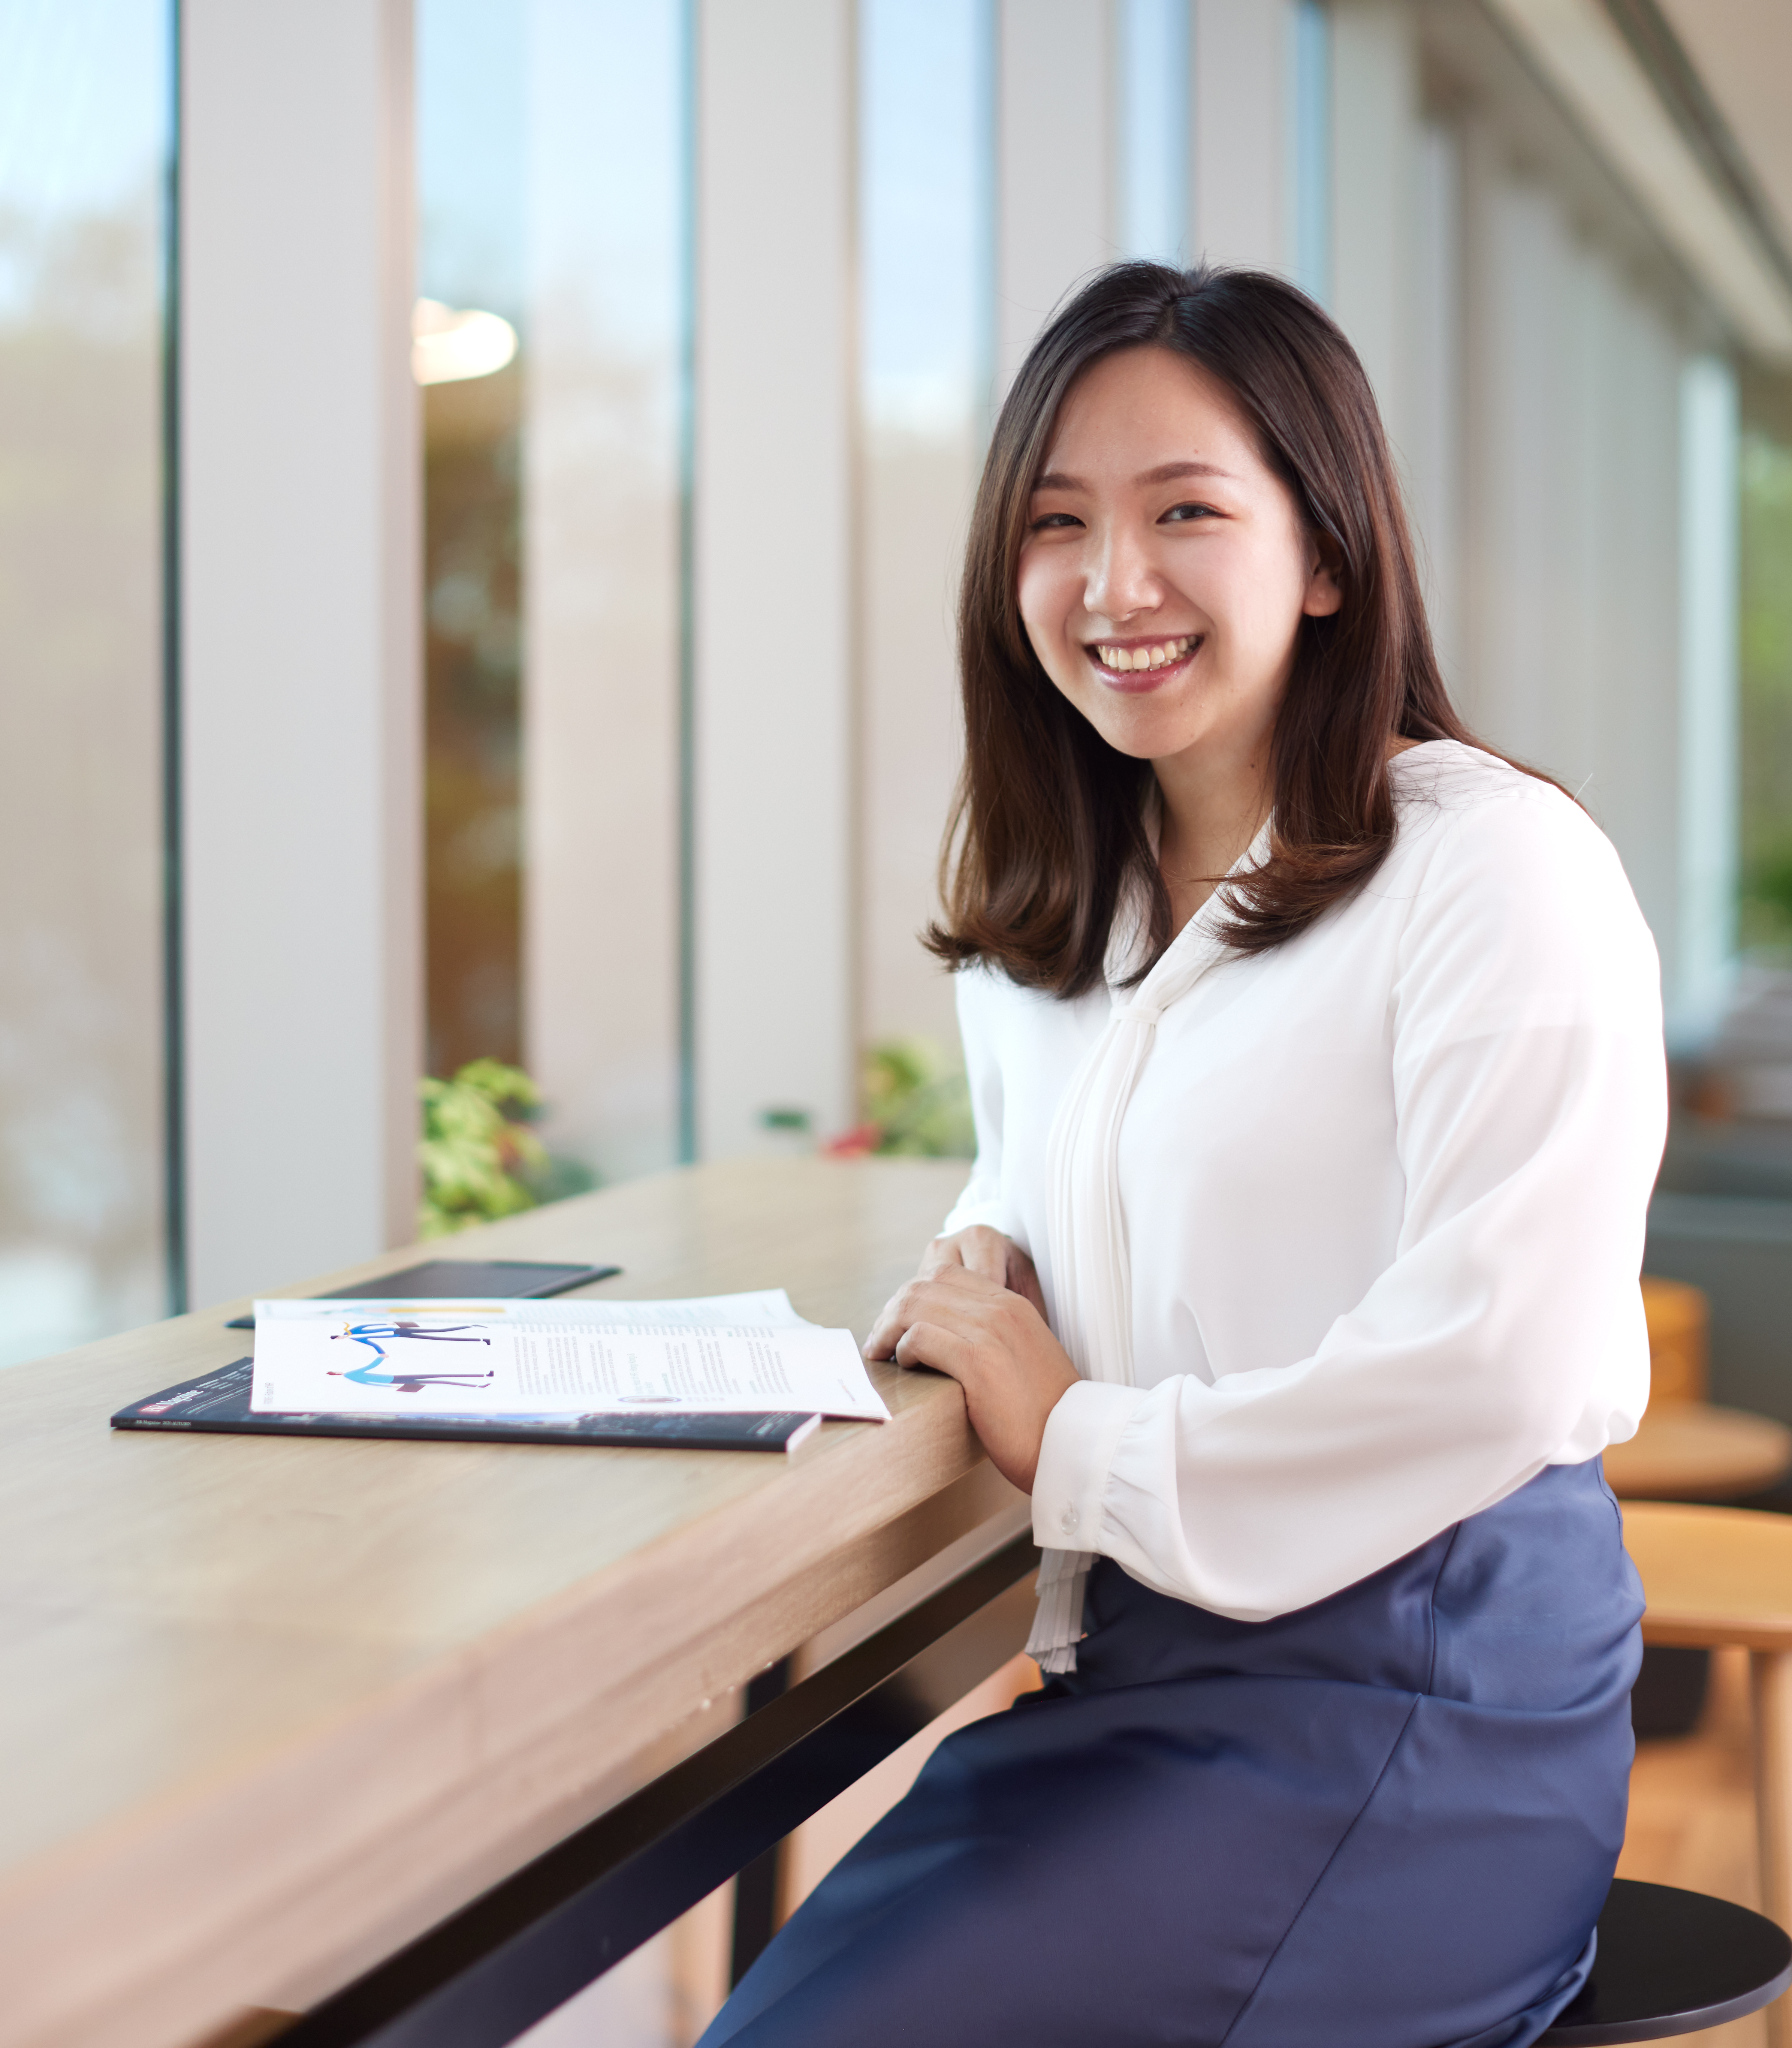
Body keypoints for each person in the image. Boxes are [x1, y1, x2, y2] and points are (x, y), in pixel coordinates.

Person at [697, 263, 1662, 2047]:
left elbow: (1502, 1354)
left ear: (1325, 553)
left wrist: (1072, 1434)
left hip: (1421, 1691)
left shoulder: (1491, 865)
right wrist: (983, 1267)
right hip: (1131, 1674)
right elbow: (1055, 1174)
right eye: (1054, 524)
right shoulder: (1054, 917)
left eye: (1183, 513)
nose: (1110, 583)